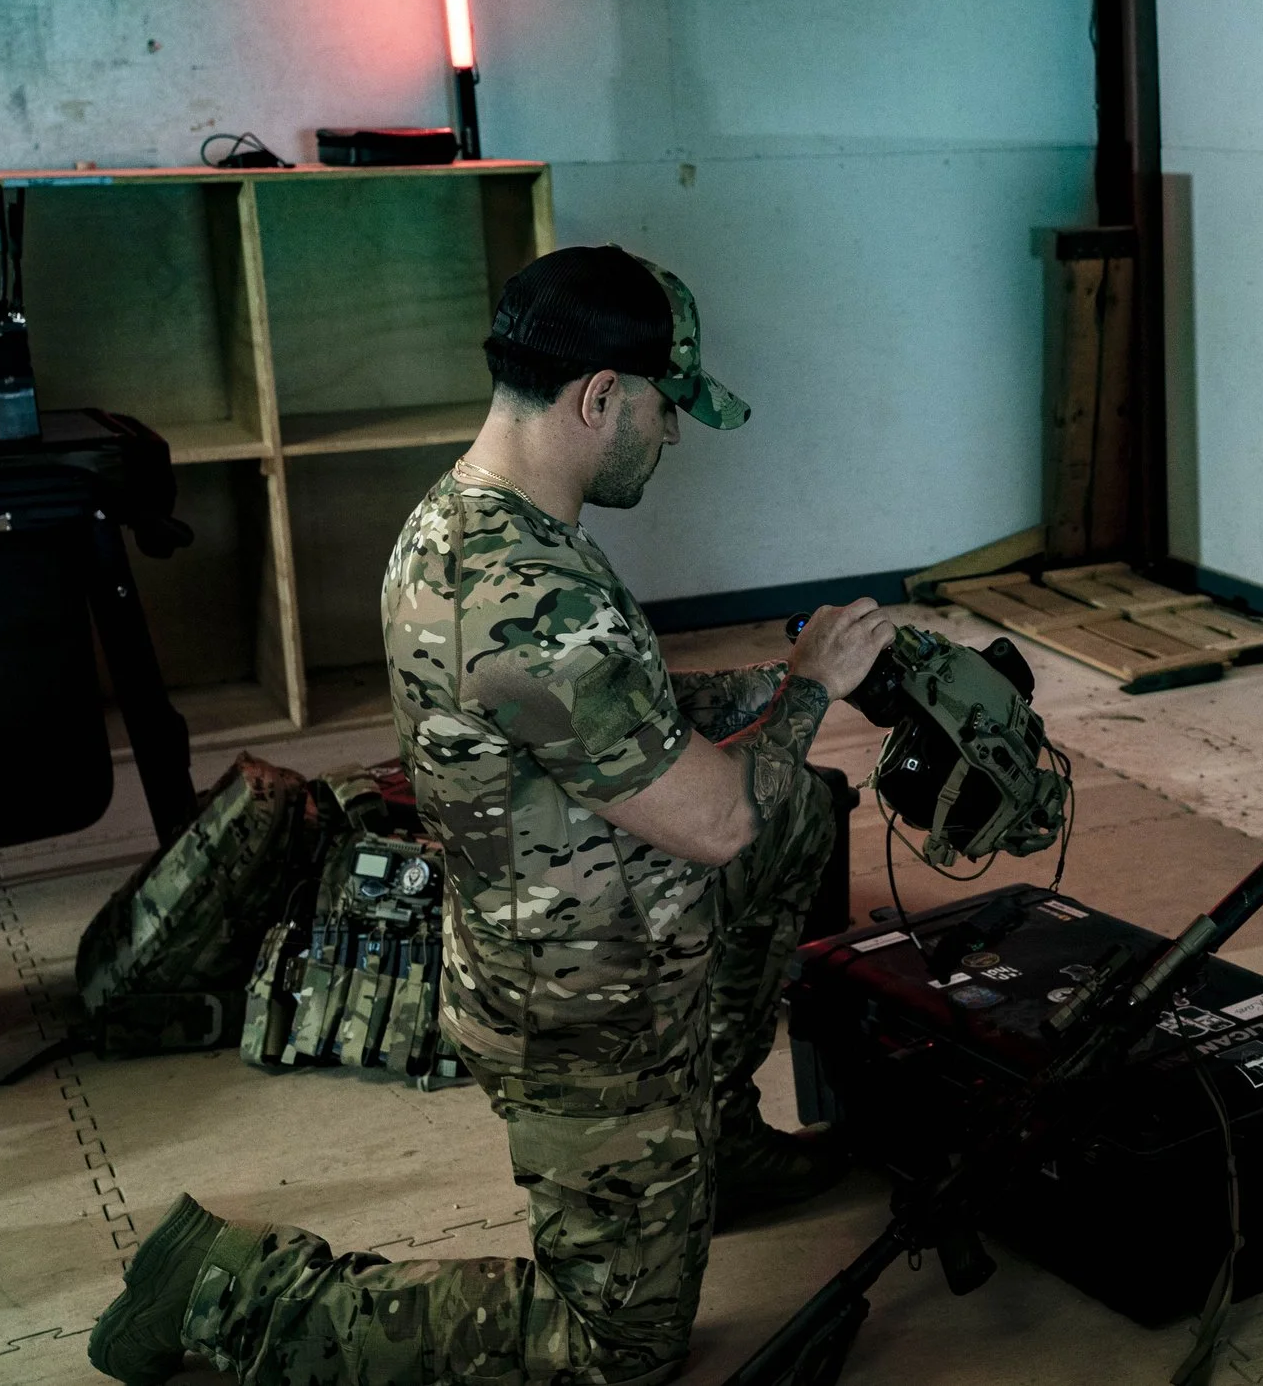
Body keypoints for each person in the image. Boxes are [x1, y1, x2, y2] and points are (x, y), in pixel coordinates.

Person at [90, 244, 897, 1385]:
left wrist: (762, 689)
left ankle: (712, 1134)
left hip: (587, 940)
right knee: (620, 1351)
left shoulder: (485, 521)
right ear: (600, 396)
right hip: (580, 1016)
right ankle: (228, 1287)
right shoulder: (523, 591)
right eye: (665, 409)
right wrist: (809, 686)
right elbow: (711, 821)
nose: (670, 437)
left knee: (801, 815)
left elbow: (602, 711)